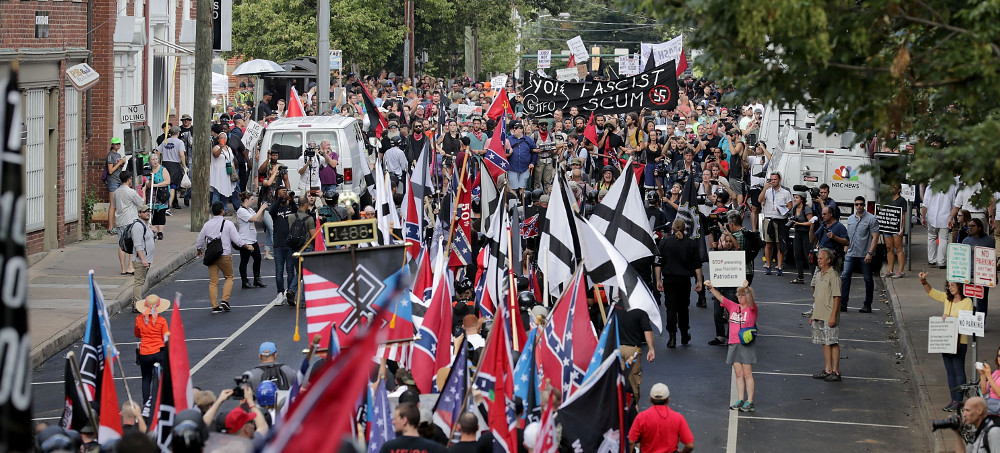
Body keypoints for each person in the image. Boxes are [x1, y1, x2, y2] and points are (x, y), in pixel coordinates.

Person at [919, 269, 973, 412]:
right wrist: (924, 281)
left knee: (958, 370)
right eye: (949, 285)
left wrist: (951, 319)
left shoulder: (967, 302)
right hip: (946, 340)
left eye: (953, 285)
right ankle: (953, 398)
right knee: (950, 371)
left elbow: (965, 320)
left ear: (960, 286)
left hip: (960, 342)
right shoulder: (947, 299)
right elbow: (933, 293)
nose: (950, 287)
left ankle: (959, 400)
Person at [705, 279, 758, 412]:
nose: (740, 297)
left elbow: (751, 302)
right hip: (734, 343)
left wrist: (746, 288)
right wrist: (711, 287)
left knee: (747, 373)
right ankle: (740, 399)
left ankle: (750, 401)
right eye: (739, 295)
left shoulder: (752, 309)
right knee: (738, 373)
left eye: (743, 295)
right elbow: (720, 298)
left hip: (746, 344)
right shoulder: (733, 307)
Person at [196, 202, 254, 313]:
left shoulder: (207, 224)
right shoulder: (228, 224)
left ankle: (215, 306)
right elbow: (237, 240)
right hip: (224, 255)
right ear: (223, 211)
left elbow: (200, 240)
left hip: (212, 256)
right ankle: (225, 299)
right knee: (229, 277)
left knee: (213, 282)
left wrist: (199, 250)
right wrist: (247, 246)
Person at [654, 219, 703, 349]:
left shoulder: (664, 243)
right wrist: (699, 281)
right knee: (683, 308)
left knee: (670, 308)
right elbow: (697, 264)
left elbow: (658, 263)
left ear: (673, 229)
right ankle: (684, 333)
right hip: (684, 280)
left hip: (669, 280)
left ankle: (672, 337)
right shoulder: (691, 243)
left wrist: (658, 280)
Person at [627, 383, 695, 453]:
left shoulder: (641, 417)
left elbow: (631, 442)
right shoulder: (678, 418)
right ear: (668, 400)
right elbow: (690, 445)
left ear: (650, 399)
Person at [841, 196, 880, 313]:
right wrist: (845, 250)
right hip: (851, 253)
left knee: (868, 279)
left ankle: (867, 304)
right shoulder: (850, 219)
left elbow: (875, 237)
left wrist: (870, 253)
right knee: (845, 276)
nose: (859, 206)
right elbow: (848, 236)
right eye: (857, 204)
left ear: (864, 205)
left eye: (861, 204)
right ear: (854, 205)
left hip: (864, 254)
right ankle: (843, 304)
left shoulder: (871, 219)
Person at [811, 249, 842, 382]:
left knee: (832, 342)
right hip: (819, 313)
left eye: (821, 258)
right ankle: (828, 369)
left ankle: (836, 371)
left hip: (829, 314)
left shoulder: (833, 276)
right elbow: (815, 295)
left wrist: (833, 316)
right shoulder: (818, 275)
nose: (818, 260)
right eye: (818, 258)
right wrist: (813, 313)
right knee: (824, 342)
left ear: (828, 260)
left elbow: (837, 297)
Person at [614, 299, 655, 400]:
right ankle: (633, 405)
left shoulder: (613, 309)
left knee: (618, 380)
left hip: (616, 349)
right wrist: (651, 349)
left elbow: (603, 327)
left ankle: (619, 405)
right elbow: (647, 330)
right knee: (633, 380)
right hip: (633, 351)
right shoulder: (640, 310)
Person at [134, 294, 169, 403]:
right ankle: (160, 400)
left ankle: (146, 402)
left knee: (146, 378)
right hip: (159, 352)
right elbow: (166, 337)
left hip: (145, 353)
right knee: (161, 378)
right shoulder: (162, 320)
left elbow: (137, 334)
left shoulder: (139, 319)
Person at [758, 171, 792, 275]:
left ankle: (780, 267)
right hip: (769, 219)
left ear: (779, 180)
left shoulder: (785, 192)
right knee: (768, 244)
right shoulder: (767, 191)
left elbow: (790, 206)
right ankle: (768, 266)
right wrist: (764, 189)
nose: (773, 181)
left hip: (780, 220)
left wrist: (783, 209)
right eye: (771, 180)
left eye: (775, 179)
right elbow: (759, 200)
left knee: (779, 245)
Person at [379, 402, 447, 453]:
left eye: (395, 418)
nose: (393, 422)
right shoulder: (435, 449)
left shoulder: (388, 448)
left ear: (404, 420)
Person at [269, 188, 298, 306]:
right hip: (278, 244)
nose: (284, 195)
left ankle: (289, 292)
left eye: (285, 192)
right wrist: (279, 199)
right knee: (279, 270)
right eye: (281, 193)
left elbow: (297, 214)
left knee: (291, 271)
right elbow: (271, 211)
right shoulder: (276, 208)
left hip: (290, 244)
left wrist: (291, 200)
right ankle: (279, 293)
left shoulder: (290, 207)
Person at [962, 218, 995, 314]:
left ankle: (981, 323)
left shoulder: (989, 241)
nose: (970, 228)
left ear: (979, 228)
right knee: (968, 301)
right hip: (969, 275)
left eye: (973, 226)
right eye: (969, 226)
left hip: (983, 275)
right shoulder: (966, 241)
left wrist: (994, 276)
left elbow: (992, 259)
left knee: (982, 301)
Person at [236, 192, 268, 289]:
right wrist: (261, 209)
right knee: (244, 261)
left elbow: (259, 219)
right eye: (251, 199)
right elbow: (253, 218)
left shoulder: (249, 209)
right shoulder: (241, 211)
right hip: (245, 240)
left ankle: (257, 279)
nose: (253, 201)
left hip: (253, 240)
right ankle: (244, 281)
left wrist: (262, 211)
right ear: (246, 200)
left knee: (258, 259)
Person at [922, 181, 958, 268]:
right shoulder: (951, 187)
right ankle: (941, 261)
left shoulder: (930, 187)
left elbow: (925, 204)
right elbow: (954, 204)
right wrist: (952, 217)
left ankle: (932, 260)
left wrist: (923, 217)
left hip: (931, 216)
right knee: (943, 239)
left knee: (931, 237)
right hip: (945, 217)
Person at [115, 171, 144, 276]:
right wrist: (143, 191)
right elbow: (141, 203)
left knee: (121, 244)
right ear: (128, 179)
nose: (132, 180)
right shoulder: (131, 192)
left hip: (120, 220)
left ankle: (123, 268)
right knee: (132, 243)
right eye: (131, 178)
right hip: (130, 220)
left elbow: (114, 205)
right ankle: (130, 267)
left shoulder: (116, 192)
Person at [156, 126, 187, 210]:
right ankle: (168, 206)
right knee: (173, 186)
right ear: (178, 133)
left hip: (165, 164)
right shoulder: (180, 142)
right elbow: (181, 154)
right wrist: (184, 166)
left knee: (165, 185)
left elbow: (157, 152)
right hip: (174, 165)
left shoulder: (165, 141)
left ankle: (164, 204)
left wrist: (158, 162)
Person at [210, 131, 240, 214]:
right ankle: (216, 209)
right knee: (217, 191)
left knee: (226, 191)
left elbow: (231, 159)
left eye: (224, 138)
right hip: (218, 173)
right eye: (221, 138)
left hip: (227, 172)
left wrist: (233, 170)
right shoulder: (215, 147)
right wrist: (221, 148)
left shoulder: (229, 148)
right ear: (218, 139)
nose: (223, 139)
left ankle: (225, 209)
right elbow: (216, 155)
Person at [789, 190, 815, 284]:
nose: (795, 199)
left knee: (808, 256)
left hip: (806, 234)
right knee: (797, 255)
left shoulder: (807, 209)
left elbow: (811, 222)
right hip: (797, 233)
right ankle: (800, 277)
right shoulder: (795, 208)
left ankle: (814, 278)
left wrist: (799, 223)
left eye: (797, 197)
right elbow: (792, 217)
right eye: (794, 197)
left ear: (802, 199)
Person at [130, 205, 155, 304]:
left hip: (147, 259)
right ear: (139, 214)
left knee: (141, 281)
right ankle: (137, 304)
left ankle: (137, 302)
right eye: (145, 212)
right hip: (140, 260)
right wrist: (143, 259)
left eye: (149, 211)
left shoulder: (146, 225)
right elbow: (137, 245)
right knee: (138, 282)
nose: (148, 213)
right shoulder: (138, 226)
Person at [505, 121, 537, 196]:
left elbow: (534, 151)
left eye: (516, 128)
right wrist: (508, 151)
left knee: (522, 188)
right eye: (513, 128)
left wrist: (533, 163)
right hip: (512, 167)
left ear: (521, 129)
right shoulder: (508, 139)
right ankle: (513, 204)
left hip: (525, 167)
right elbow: (502, 150)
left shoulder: (529, 140)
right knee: (513, 188)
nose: (514, 130)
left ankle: (523, 204)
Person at [884, 183, 908, 278]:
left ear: (899, 190)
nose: (891, 189)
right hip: (887, 226)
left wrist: (902, 228)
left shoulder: (902, 200)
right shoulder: (887, 199)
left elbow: (903, 216)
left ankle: (900, 271)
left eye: (894, 187)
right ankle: (890, 270)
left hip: (897, 227)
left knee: (898, 247)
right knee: (889, 248)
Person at [106, 137, 127, 234]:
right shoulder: (110, 155)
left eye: (119, 144)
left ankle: (115, 225)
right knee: (113, 204)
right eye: (116, 144)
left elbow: (118, 168)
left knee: (118, 204)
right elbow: (110, 170)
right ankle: (110, 227)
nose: (118, 145)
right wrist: (120, 163)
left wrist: (123, 163)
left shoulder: (118, 154)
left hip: (119, 180)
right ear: (112, 145)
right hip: (113, 181)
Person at [147, 153, 170, 239]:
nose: (155, 161)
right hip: (152, 195)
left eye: (156, 159)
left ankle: (160, 232)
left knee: (161, 213)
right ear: (150, 161)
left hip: (161, 193)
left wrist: (157, 185)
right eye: (153, 159)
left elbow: (167, 181)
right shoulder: (149, 171)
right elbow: (148, 185)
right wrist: (150, 182)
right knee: (153, 212)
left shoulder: (163, 169)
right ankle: (154, 231)